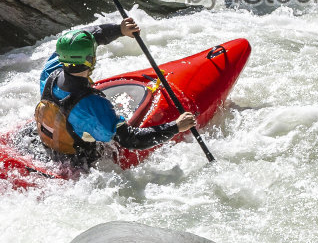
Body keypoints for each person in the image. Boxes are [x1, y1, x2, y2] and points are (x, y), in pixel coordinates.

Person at [32, 17, 196, 168]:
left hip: (50, 146)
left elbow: (91, 35)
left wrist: (120, 30)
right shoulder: (93, 104)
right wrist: (175, 127)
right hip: (79, 163)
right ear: (91, 60)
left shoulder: (50, 73)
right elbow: (130, 139)